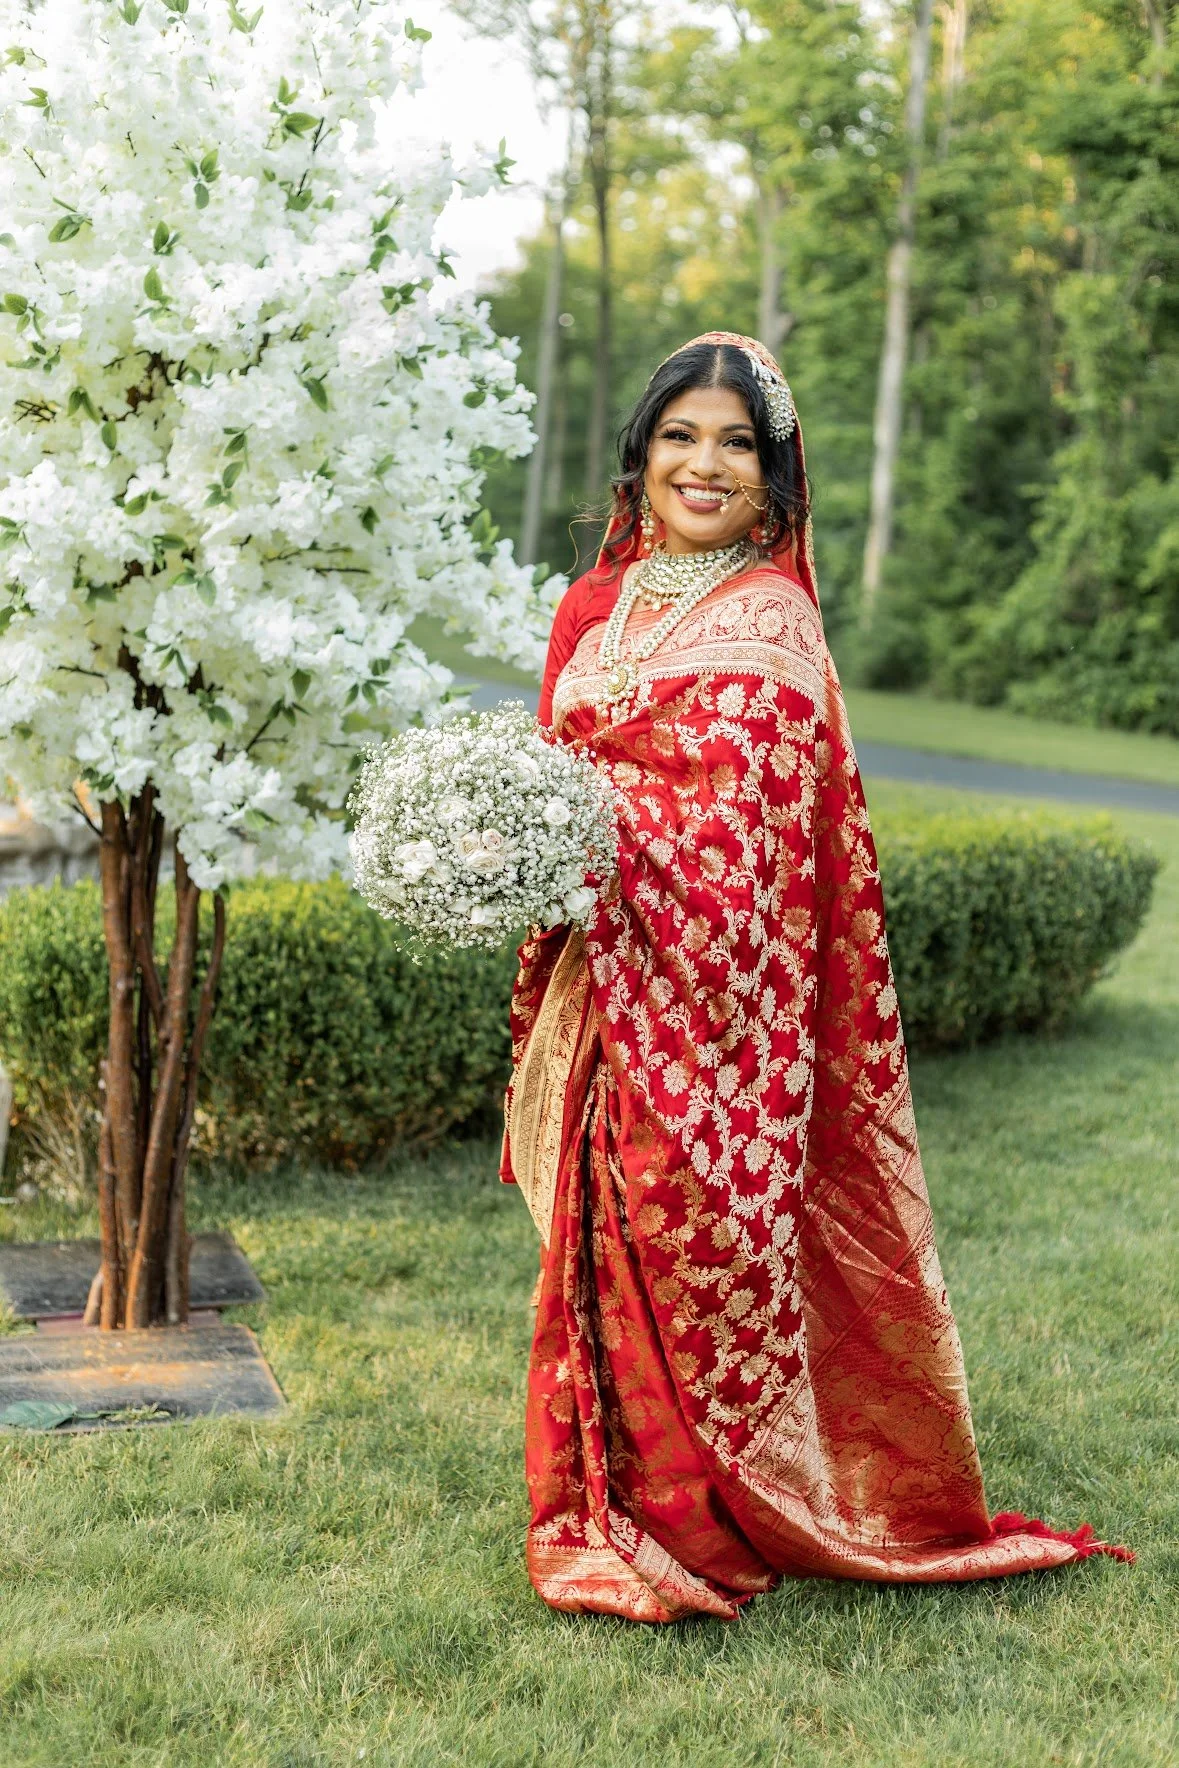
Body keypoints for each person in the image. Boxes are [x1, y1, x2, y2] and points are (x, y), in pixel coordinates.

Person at [500, 331, 1130, 1623]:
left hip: (717, 1005)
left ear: (775, 479)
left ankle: (695, 1517)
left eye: (735, 442)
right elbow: (552, 772)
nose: (704, 463)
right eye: (679, 436)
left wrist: (603, 832)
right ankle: (602, 1501)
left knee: (686, 1248)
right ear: (638, 457)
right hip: (599, 984)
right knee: (589, 1248)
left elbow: (752, 834)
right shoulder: (592, 606)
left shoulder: (768, 619)